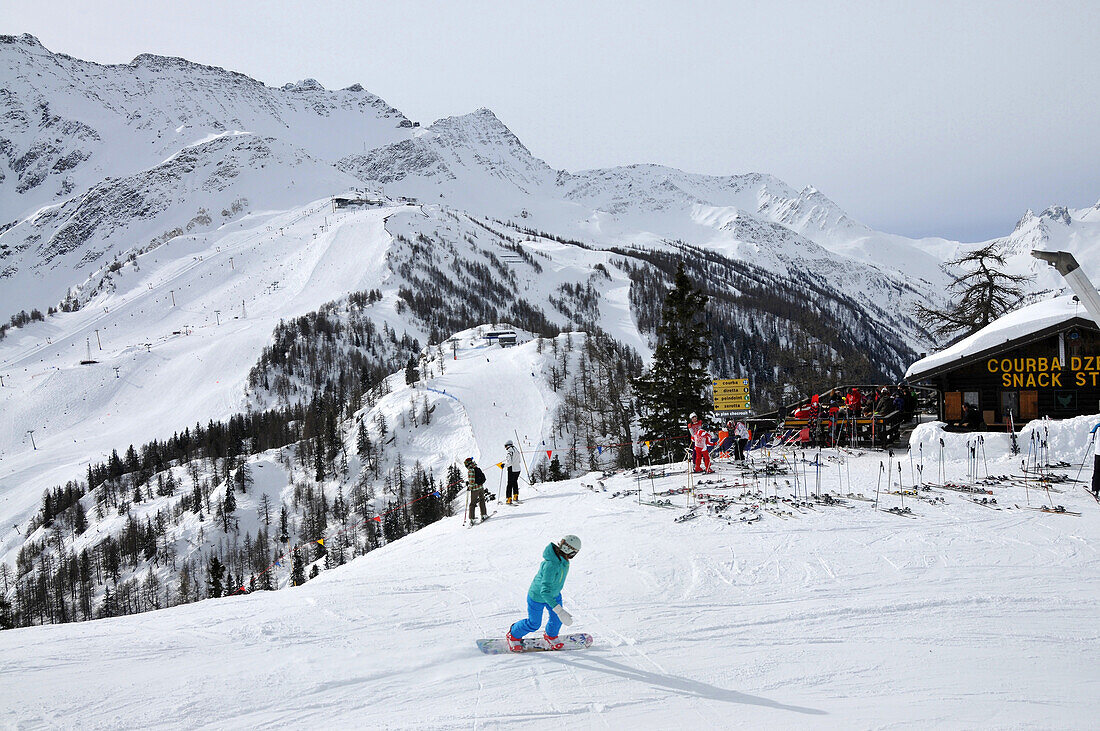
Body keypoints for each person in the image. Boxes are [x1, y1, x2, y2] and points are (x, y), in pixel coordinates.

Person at [506, 535, 581, 651]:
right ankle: (513, 635)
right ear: (571, 551)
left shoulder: (563, 561)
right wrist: (559, 610)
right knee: (534, 623)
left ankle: (550, 636)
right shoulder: (551, 565)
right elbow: (544, 591)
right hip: (537, 597)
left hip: (554, 595)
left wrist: (558, 611)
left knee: (556, 619)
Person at [465, 457, 489, 524]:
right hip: (480, 487)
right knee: (482, 500)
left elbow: (472, 481)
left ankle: (472, 519)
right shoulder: (476, 467)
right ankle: (484, 514)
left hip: (475, 489)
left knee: (472, 503)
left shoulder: (471, 470)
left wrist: (469, 486)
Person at [504, 440, 522, 505]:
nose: (505, 448)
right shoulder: (517, 451)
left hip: (512, 470)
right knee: (515, 482)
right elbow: (519, 461)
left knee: (509, 484)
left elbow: (509, 463)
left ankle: (509, 499)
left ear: (508, 446)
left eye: (505, 446)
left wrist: (503, 465)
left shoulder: (509, 452)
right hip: (518, 469)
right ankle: (515, 496)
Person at [1091, 422, 1100, 498]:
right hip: (1098, 451)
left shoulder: (1097, 426)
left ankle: (1095, 489)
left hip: (1098, 452)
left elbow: (1092, 438)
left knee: (1097, 471)